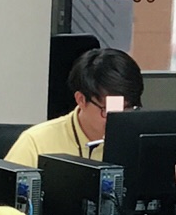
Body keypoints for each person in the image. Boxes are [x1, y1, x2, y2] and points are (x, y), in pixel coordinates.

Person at [7, 47, 141, 165]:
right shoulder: (37, 143)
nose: (118, 120)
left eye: (128, 110)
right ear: (81, 100)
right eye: (108, 111)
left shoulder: (139, 142)